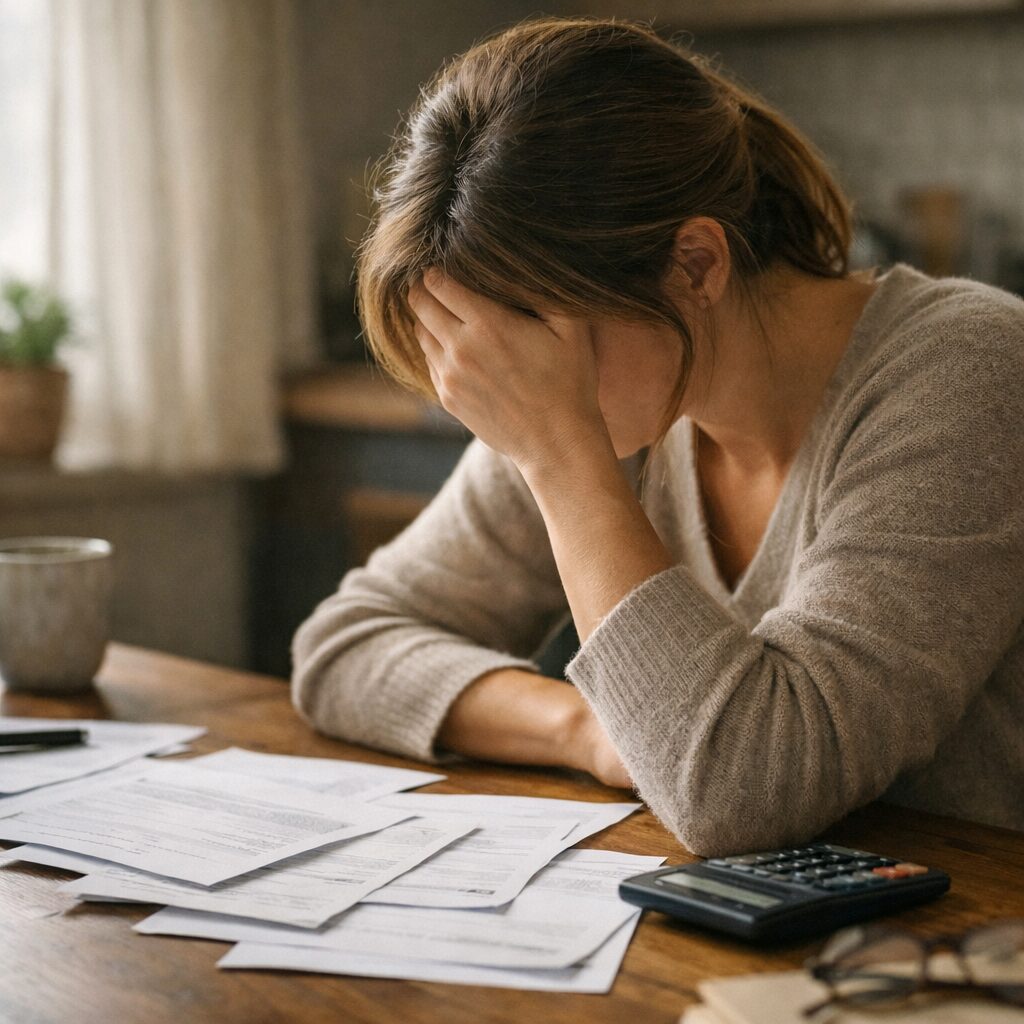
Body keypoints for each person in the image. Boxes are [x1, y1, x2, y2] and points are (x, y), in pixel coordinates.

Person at [291, 17, 1024, 855]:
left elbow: (742, 790)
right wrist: (585, 731)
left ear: (697, 266)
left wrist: (562, 459)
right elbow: (343, 648)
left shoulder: (973, 370)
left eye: (536, 344)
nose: (520, 391)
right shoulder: (622, 390)